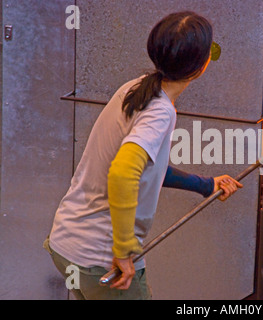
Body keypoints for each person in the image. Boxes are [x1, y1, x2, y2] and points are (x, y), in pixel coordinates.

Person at [44, 11, 242, 300]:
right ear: (201, 66)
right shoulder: (159, 112)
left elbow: (148, 168)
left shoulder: (136, 88)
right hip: (101, 259)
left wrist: (206, 184)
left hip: (66, 245)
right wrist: (123, 250)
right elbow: (123, 172)